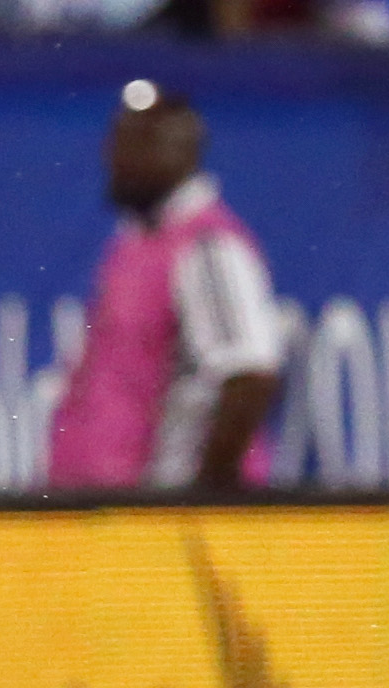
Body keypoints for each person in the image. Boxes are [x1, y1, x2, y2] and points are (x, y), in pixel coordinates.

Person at [46, 82, 285, 493]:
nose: (113, 157)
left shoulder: (208, 248)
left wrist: (203, 501)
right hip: (112, 517)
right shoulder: (137, 241)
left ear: (180, 153)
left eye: (132, 143)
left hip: (161, 520)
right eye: (116, 140)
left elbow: (249, 375)